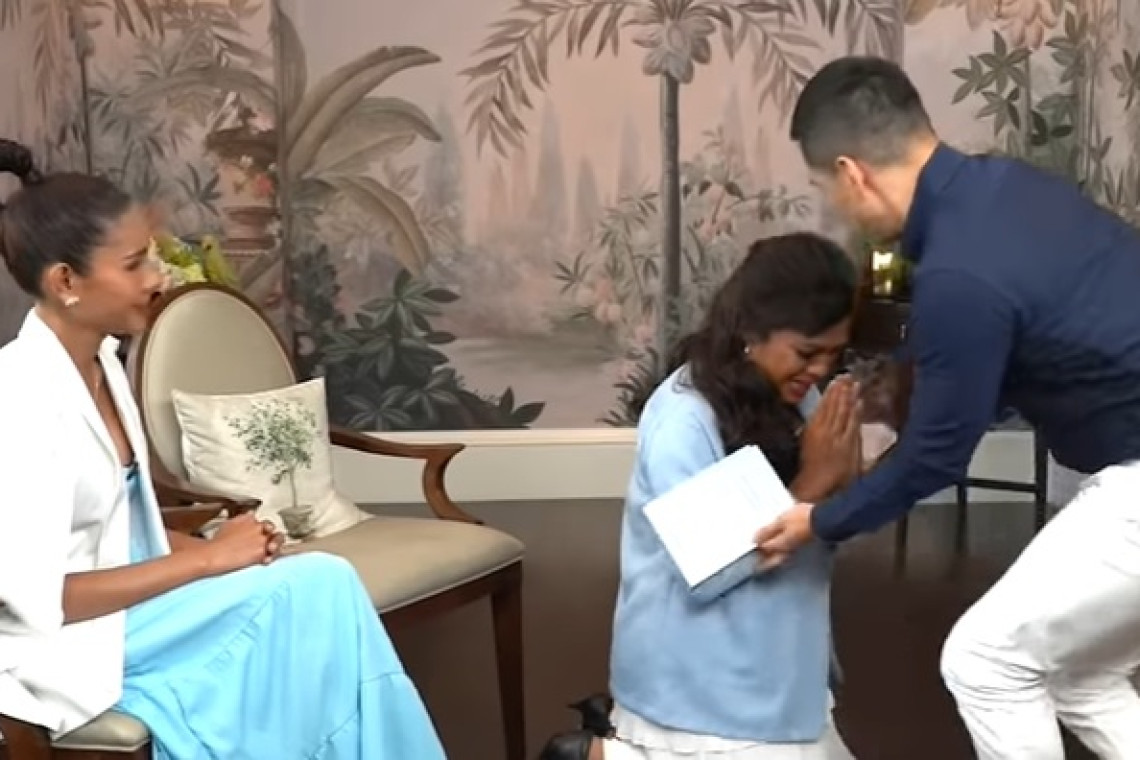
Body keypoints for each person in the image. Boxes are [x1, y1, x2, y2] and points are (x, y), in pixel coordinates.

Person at [0, 139, 447, 760]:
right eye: (133, 264)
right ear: (65, 281)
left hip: (132, 616)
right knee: (316, 585)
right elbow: (42, 598)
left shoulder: (102, 363)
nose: (157, 277)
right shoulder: (20, 399)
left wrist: (232, 551)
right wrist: (209, 560)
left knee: (319, 582)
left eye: (151, 257)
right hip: (64, 644)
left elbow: (120, 532)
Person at [758, 55, 1140, 760]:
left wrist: (819, 519)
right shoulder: (1009, 187)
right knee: (1081, 674)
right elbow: (1029, 342)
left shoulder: (958, 272)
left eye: (824, 189)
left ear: (852, 173)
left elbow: (936, 457)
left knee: (985, 662)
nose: (835, 207)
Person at [541, 232, 862, 760]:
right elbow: (708, 572)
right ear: (751, 332)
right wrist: (813, 481)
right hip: (700, 679)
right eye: (808, 353)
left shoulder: (799, 396)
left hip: (779, 668)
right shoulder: (685, 420)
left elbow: (822, 522)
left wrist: (851, 476)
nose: (822, 369)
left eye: (834, 354)